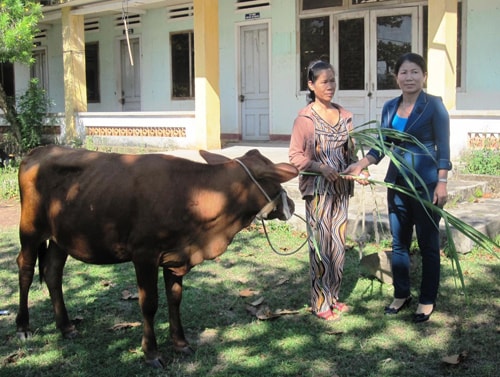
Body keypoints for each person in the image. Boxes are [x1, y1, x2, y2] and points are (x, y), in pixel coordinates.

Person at [342, 52, 452, 323]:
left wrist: (442, 182)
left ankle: (427, 299)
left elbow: (444, 147)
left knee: (427, 245)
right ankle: (401, 293)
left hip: (426, 185)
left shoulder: (434, 106)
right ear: (396, 77)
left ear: (424, 76)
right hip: (398, 183)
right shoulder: (390, 107)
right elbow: (382, 145)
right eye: (404, 72)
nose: (409, 77)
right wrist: (361, 164)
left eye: (415, 72)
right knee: (399, 242)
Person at [289, 60, 356, 321]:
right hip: (318, 192)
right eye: (324, 81)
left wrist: (359, 170)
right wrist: (319, 167)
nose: (330, 86)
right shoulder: (305, 119)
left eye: (333, 80)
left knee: (338, 245)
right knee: (321, 247)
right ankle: (320, 301)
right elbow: (295, 155)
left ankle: (334, 296)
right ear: (311, 84)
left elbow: (351, 154)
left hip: (341, 190)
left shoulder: (346, 116)